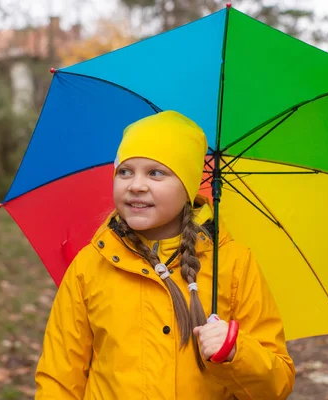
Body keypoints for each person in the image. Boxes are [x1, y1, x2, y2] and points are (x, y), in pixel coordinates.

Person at [35, 111, 295, 399]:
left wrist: (236, 352)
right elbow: (59, 375)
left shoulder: (233, 263)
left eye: (155, 173)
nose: (136, 185)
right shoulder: (90, 265)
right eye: (125, 171)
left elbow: (277, 385)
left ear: (187, 187)